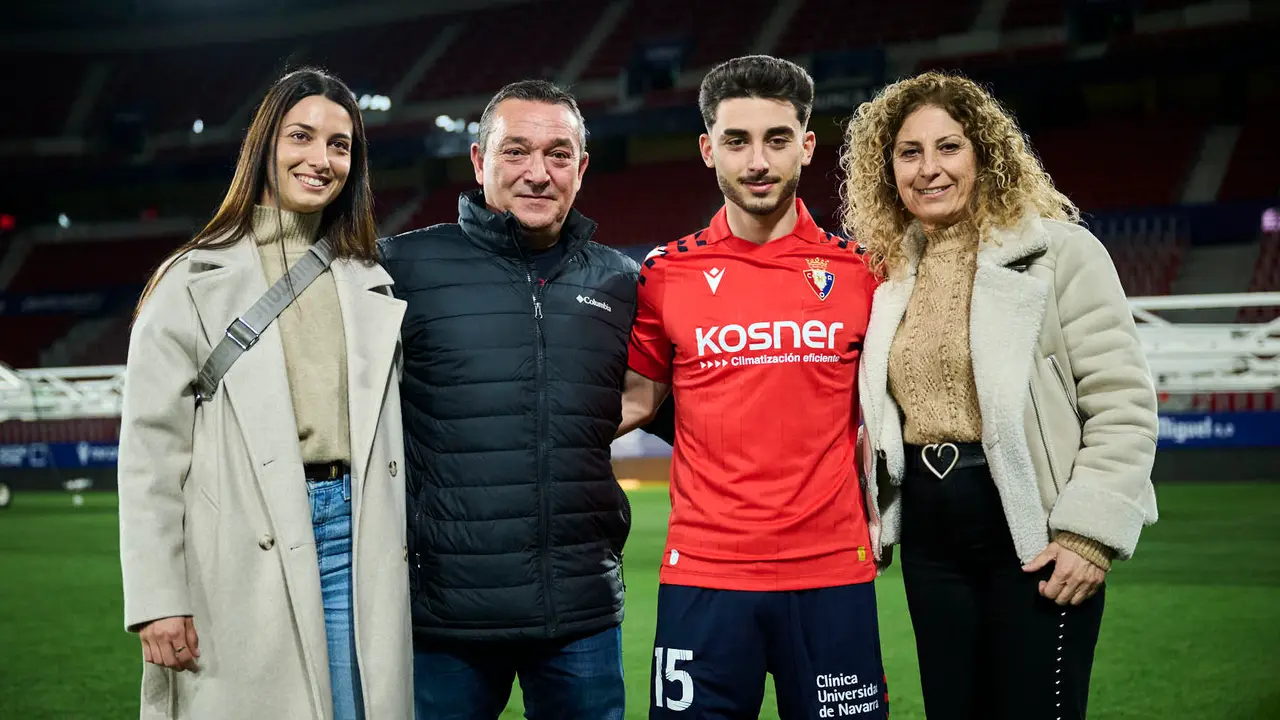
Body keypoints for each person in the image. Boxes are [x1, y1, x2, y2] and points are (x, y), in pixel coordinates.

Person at [841, 71, 1160, 720]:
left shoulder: (1060, 253)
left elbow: (1123, 403)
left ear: (985, 154)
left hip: (1031, 526)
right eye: (910, 153)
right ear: (889, 171)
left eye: (949, 147)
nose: (930, 169)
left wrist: (1088, 535)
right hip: (931, 533)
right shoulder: (890, 275)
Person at [118, 68, 411, 719]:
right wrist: (158, 596)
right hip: (239, 541)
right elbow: (150, 454)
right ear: (264, 147)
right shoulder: (190, 279)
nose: (321, 159)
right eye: (301, 136)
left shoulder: (370, 278)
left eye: (340, 145)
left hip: (355, 533)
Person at [617, 55, 888, 720]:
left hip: (831, 571)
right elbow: (637, 399)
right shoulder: (666, 274)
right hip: (704, 573)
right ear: (709, 149)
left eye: (776, 139)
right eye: (737, 141)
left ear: (807, 144)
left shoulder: (860, 272)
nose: (758, 161)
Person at [380, 79, 637, 720]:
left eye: (558, 154)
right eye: (516, 151)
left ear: (581, 167)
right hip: (447, 621)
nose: (538, 173)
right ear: (479, 161)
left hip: (580, 613)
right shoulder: (400, 270)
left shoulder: (621, 280)